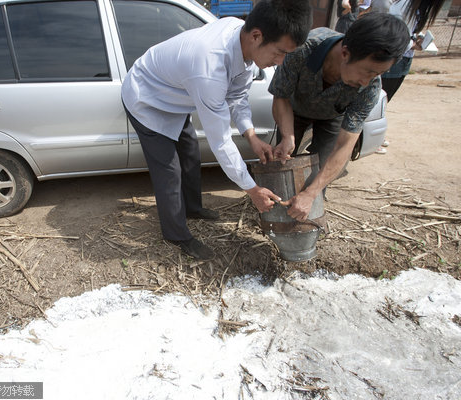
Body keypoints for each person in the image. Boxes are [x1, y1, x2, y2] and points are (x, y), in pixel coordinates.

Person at [121, 0, 312, 260]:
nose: (279, 62)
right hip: (147, 97)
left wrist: (252, 137)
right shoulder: (209, 67)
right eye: (279, 53)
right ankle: (177, 234)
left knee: (190, 153)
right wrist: (252, 189)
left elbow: (237, 97)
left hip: (175, 96)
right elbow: (220, 141)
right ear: (257, 36)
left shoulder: (242, 39)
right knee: (169, 169)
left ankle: (192, 208)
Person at [269, 12, 409, 222]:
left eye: (376, 75)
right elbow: (281, 97)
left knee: (321, 174)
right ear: (345, 53)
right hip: (294, 110)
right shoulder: (303, 49)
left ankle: (309, 219)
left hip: (332, 115)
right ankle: (274, 214)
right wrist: (287, 136)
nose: (366, 81)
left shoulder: (370, 87)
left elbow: (345, 145)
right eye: (367, 72)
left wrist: (310, 193)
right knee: (281, 162)